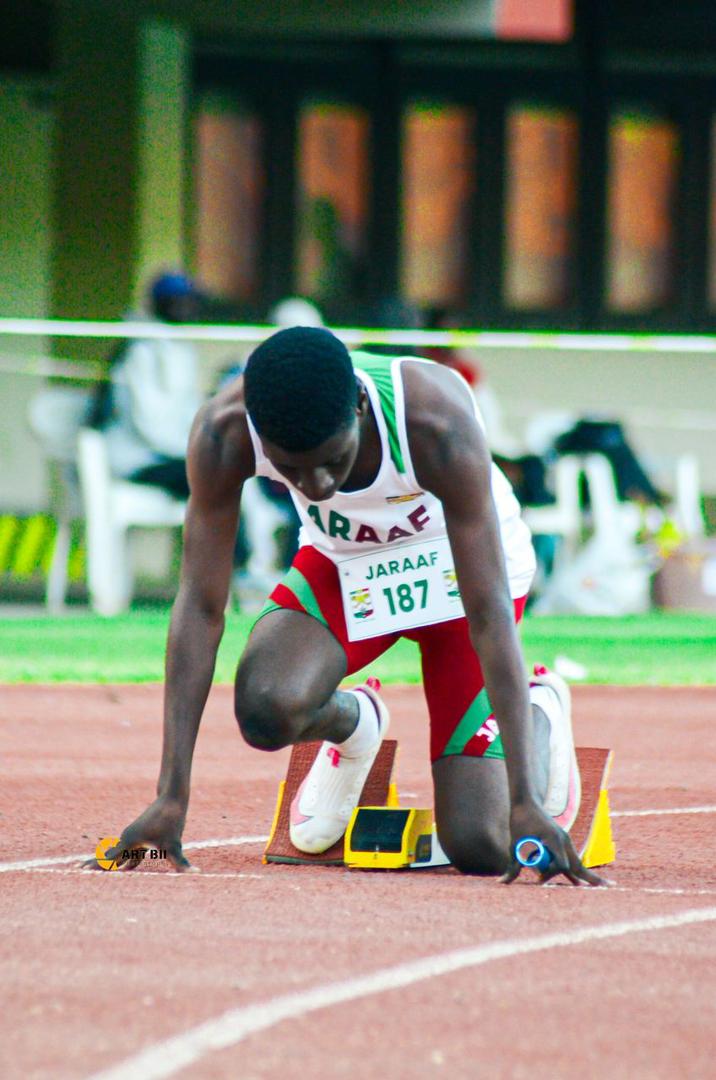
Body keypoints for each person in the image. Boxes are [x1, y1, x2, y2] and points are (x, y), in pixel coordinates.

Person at [86, 326, 606, 886]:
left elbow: (487, 610)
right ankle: (356, 725)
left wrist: (526, 799)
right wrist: (170, 796)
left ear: (359, 405)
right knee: (265, 709)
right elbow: (199, 605)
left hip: (460, 571)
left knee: (485, 844)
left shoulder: (434, 420)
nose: (316, 486)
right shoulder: (224, 431)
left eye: (333, 460)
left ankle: (538, 707)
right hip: (349, 563)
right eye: (291, 469)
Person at [90, 270, 205, 500]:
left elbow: (188, 411)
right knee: (214, 480)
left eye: (190, 299)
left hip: (167, 455)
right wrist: (189, 451)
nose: (186, 306)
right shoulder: (140, 349)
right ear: (159, 303)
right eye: (177, 300)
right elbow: (147, 422)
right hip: (136, 458)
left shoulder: (179, 347)